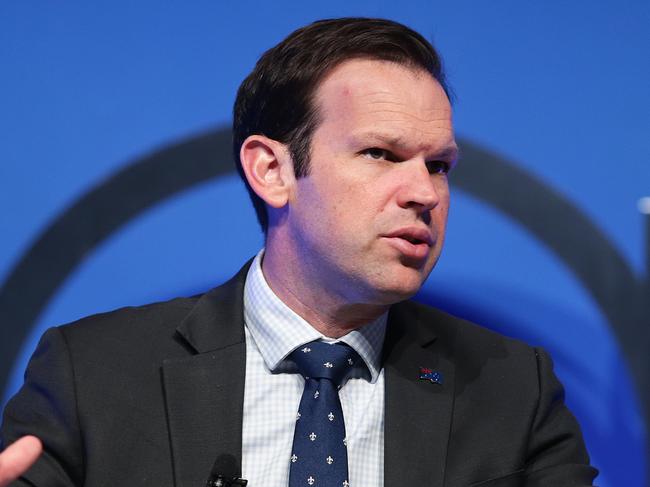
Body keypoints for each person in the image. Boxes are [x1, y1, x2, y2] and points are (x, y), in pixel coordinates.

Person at [1, 17, 597, 486]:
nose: (424, 193)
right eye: (380, 154)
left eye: (438, 165)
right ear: (273, 170)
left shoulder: (513, 389)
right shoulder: (93, 373)